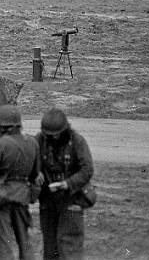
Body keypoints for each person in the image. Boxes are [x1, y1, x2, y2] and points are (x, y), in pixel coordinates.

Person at [0, 105, 40, 260]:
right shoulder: (32, 142)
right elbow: (35, 174)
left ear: (2, 125)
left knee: (4, 243)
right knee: (24, 241)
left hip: (1, 197)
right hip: (22, 196)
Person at [36, 108, 94, 260]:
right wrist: (36, 174)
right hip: (48, 200)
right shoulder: (39, 141)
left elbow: (87, 169)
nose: (54, 138)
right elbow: (30, 163)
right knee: (50, 248)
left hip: (71, 198)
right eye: (50, 135)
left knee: (70, 247)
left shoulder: (77, 141)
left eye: (57, 134)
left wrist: (67, 183)